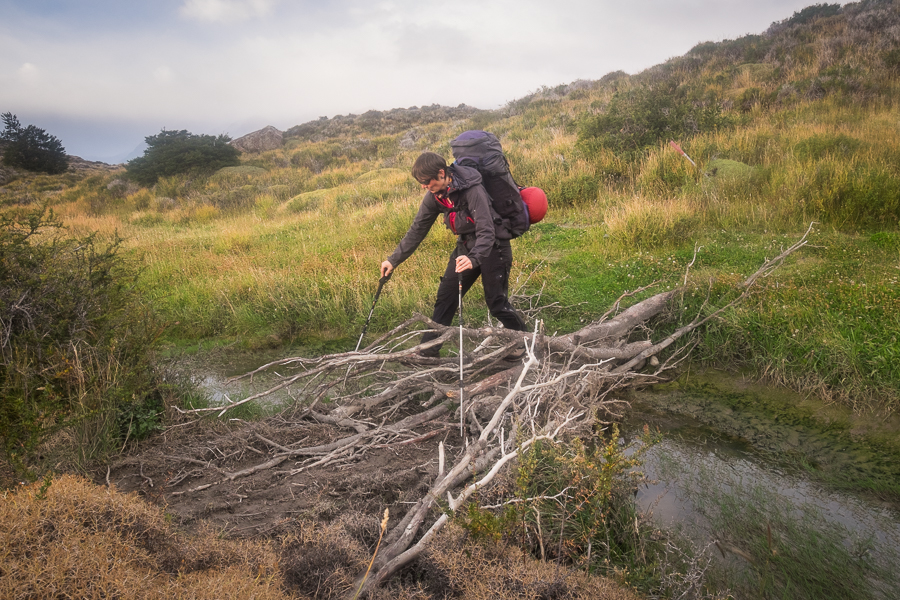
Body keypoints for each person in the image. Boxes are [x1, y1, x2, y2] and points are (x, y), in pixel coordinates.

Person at [380, 151, 526, 356]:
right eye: (420, 182)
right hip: (465, 246)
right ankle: (428, 352)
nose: (423, 186)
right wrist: (393, 260)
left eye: (426, 181)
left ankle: (525, 342)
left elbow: (487, 231)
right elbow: (417, 229)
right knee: (446, 297)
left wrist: (474, 258)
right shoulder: (434, 196)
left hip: (494, 246)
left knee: (496, 302)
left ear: (441, 173)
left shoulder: (473, 190)